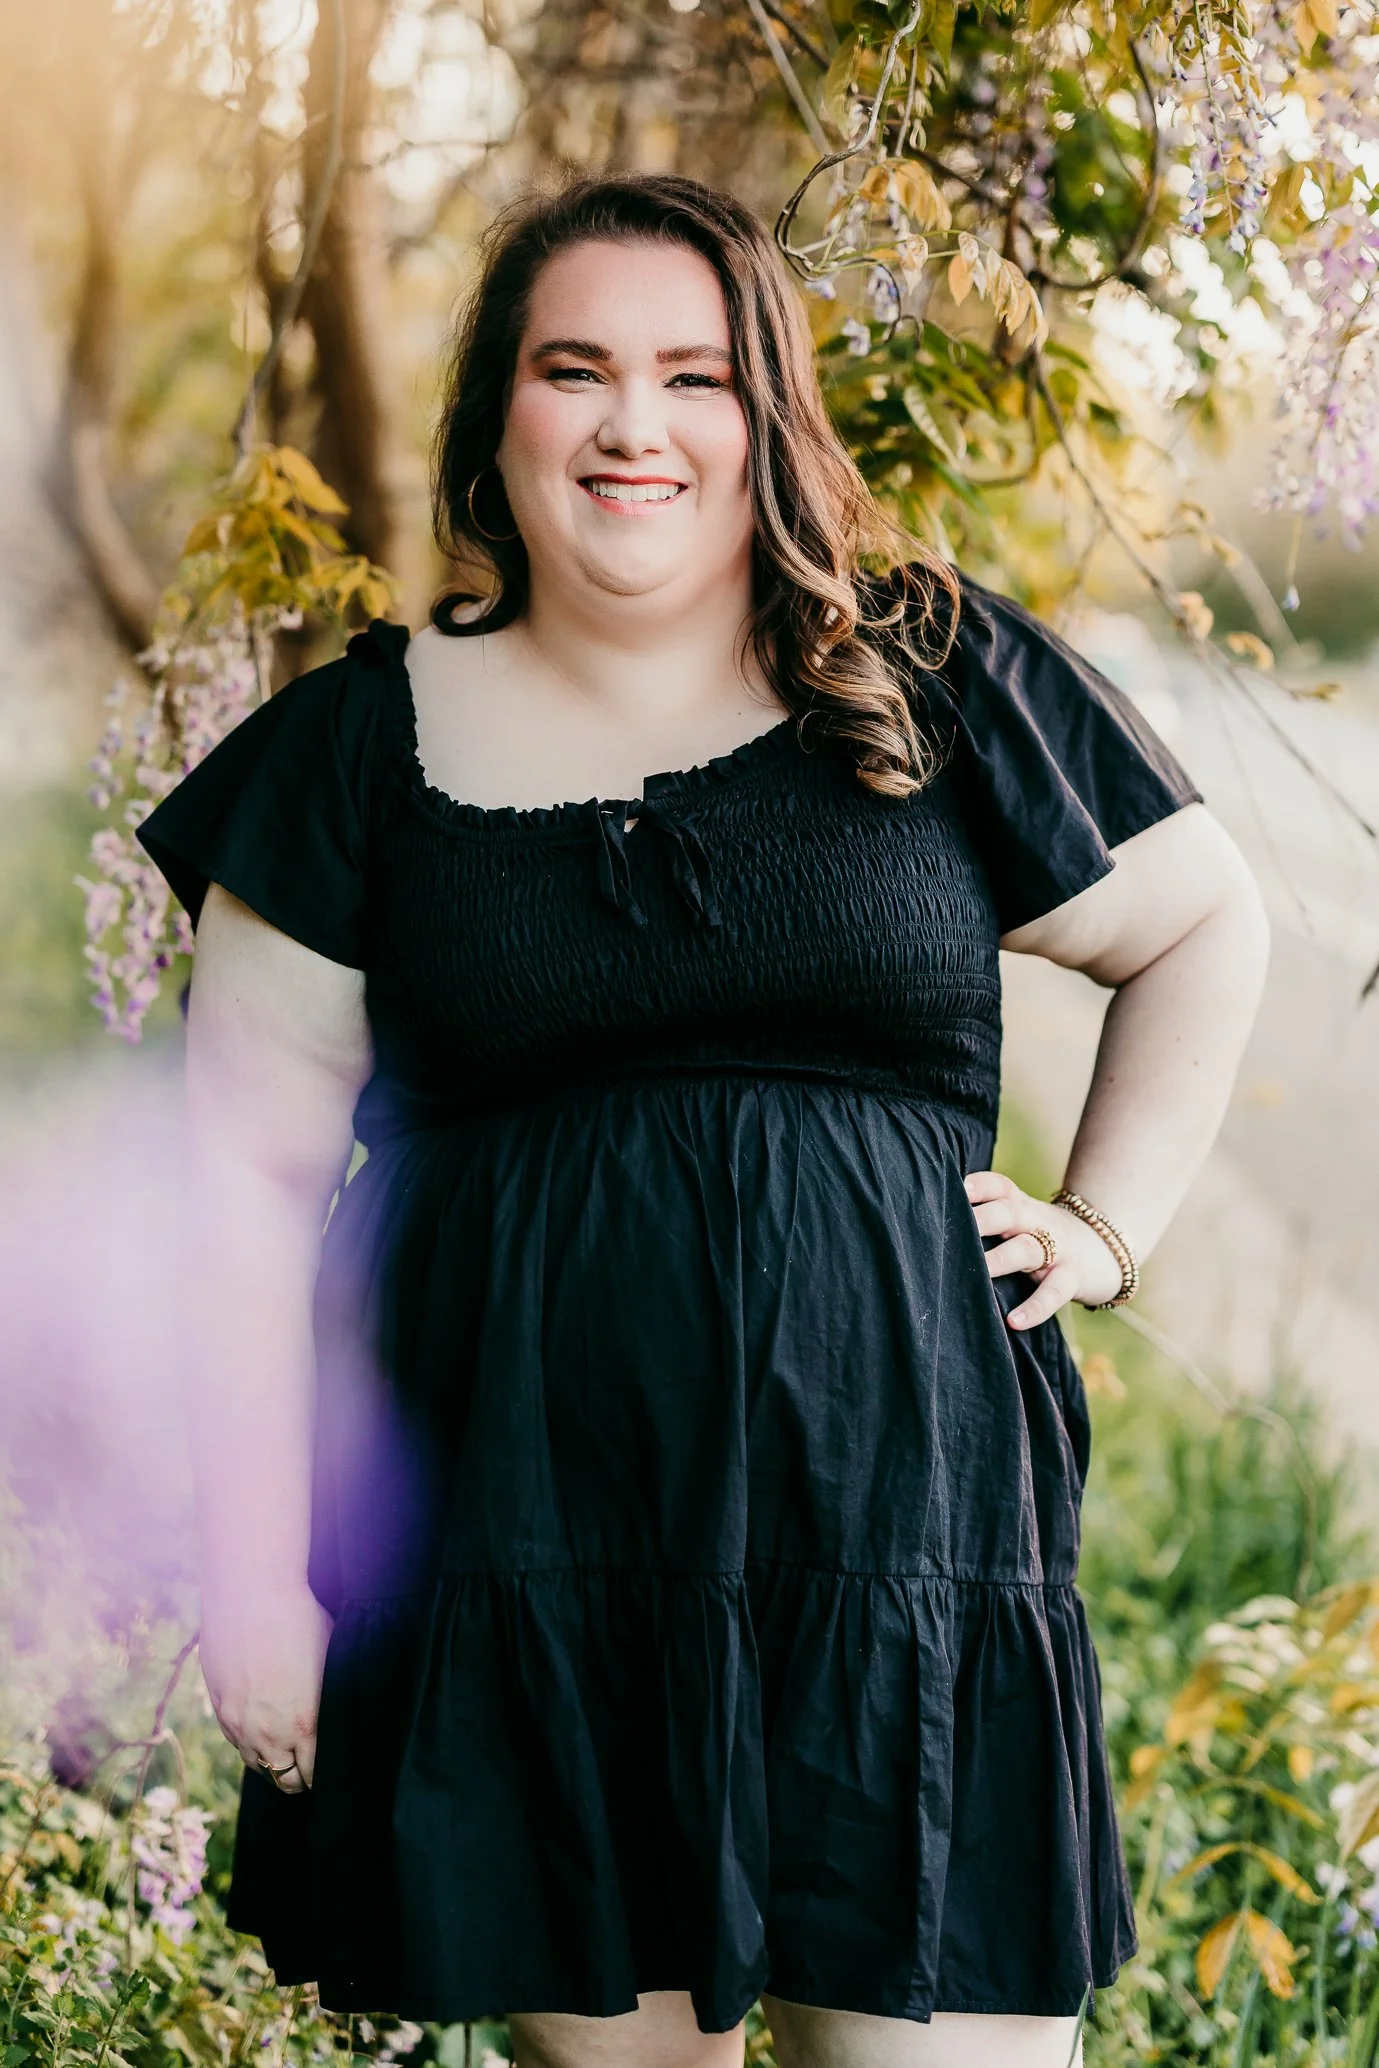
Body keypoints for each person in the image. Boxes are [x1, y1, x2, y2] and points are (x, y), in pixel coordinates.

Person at [137, 174, 1270, 2068]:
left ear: (767, 414)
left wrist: (1106, 1225)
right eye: (572, 370)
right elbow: (239, 1190)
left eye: (693, 374)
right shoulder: (354, 755)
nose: (631, 425)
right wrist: (254, 1567)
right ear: (499, 419)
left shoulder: (914, 678)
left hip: (901, 1551)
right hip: (532, 1573)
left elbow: (1202, 924)